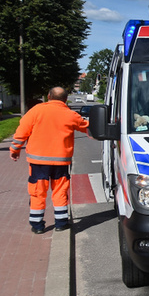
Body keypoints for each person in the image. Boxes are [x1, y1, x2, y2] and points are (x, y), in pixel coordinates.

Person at [10, 87, 90, 233]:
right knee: (60, 191)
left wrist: (15, 150)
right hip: (60, 162)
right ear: (66, 99)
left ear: (48, 96)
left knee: (37, 192)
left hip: (38, 161)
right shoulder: (70, 114)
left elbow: (21, 132)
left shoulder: (35, 111)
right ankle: (61, 223)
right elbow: (88, 128)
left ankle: (37, 225)